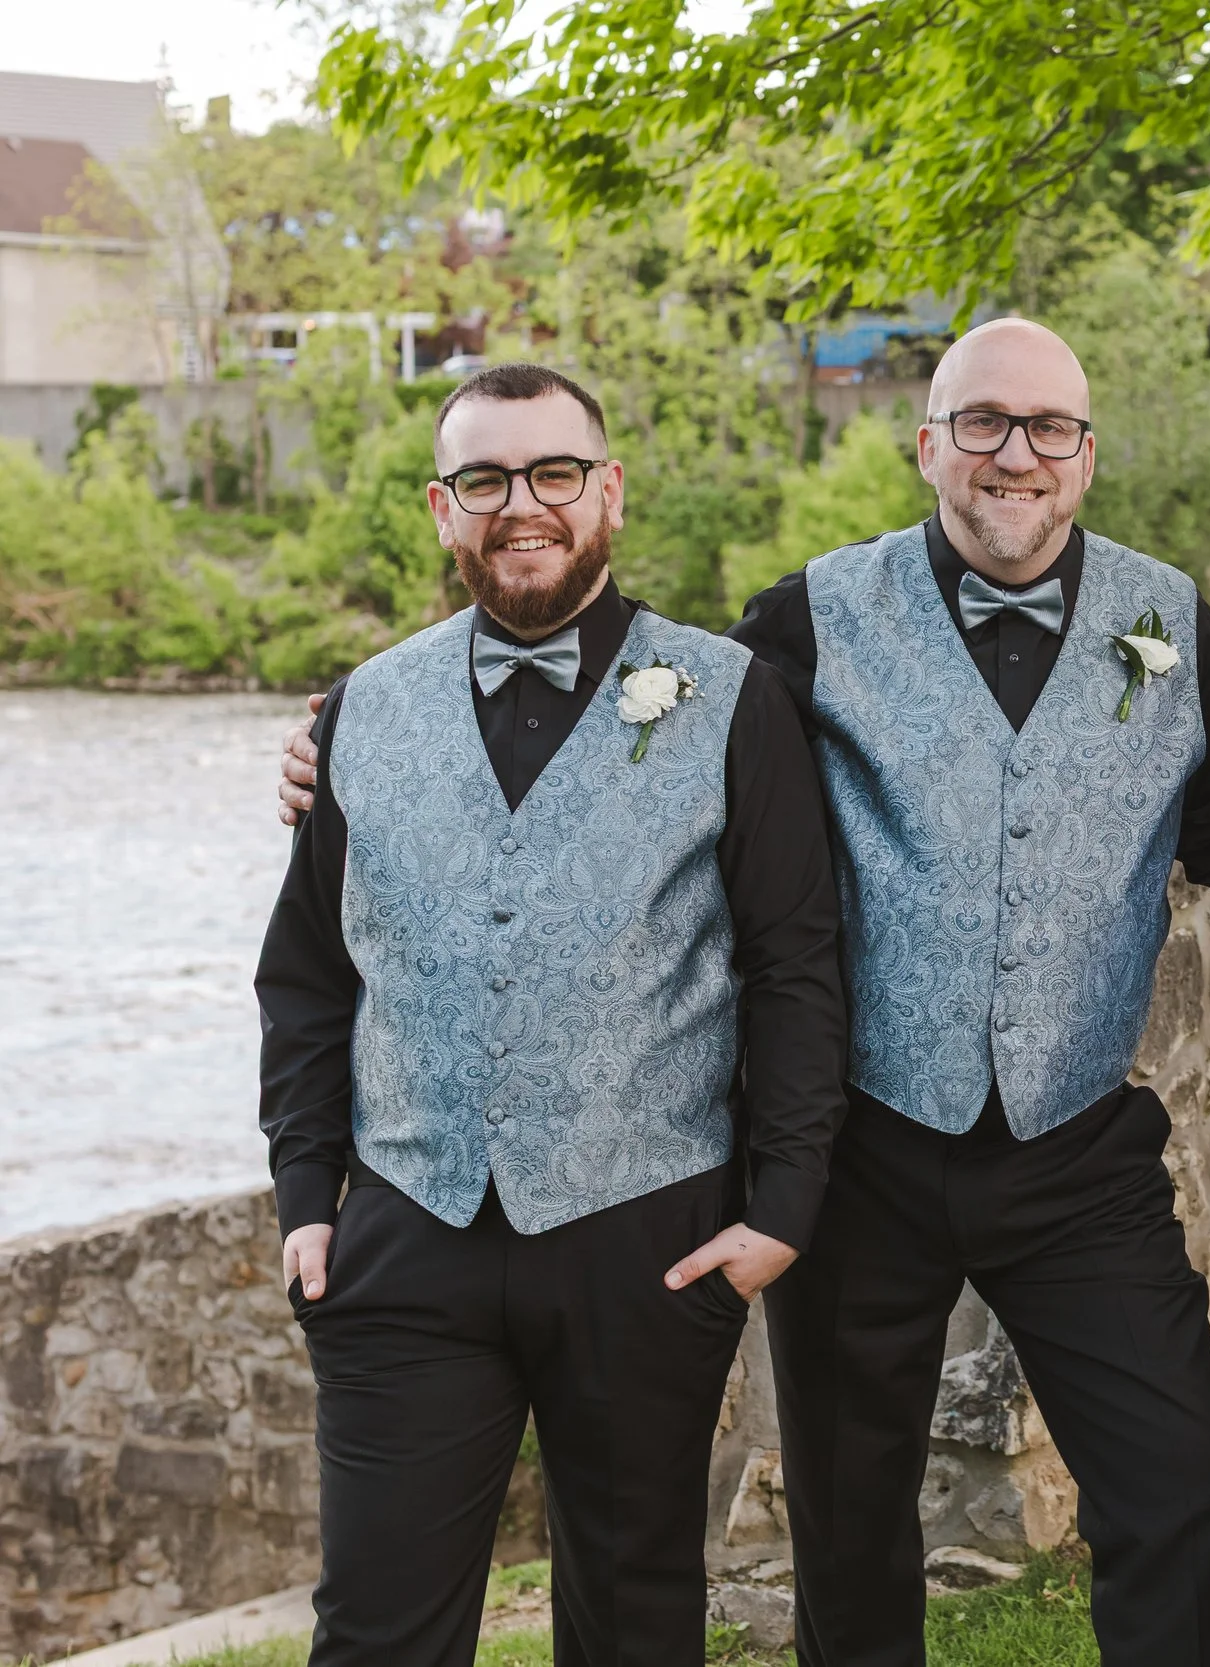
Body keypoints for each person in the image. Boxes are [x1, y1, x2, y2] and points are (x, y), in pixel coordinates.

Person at [256, 363, 849, 1667]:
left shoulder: (732, 697)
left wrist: (781, 1206)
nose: (521, 504)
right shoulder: (362, 706)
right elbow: (307, 972)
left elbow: (797, 964)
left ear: (610, 491)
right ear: (441, 506)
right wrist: (307, 1194)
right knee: (374, 1631)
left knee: (636, 1620)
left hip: (650, 1232)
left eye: (553, 472)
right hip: (407, 1230)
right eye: (485, 478)